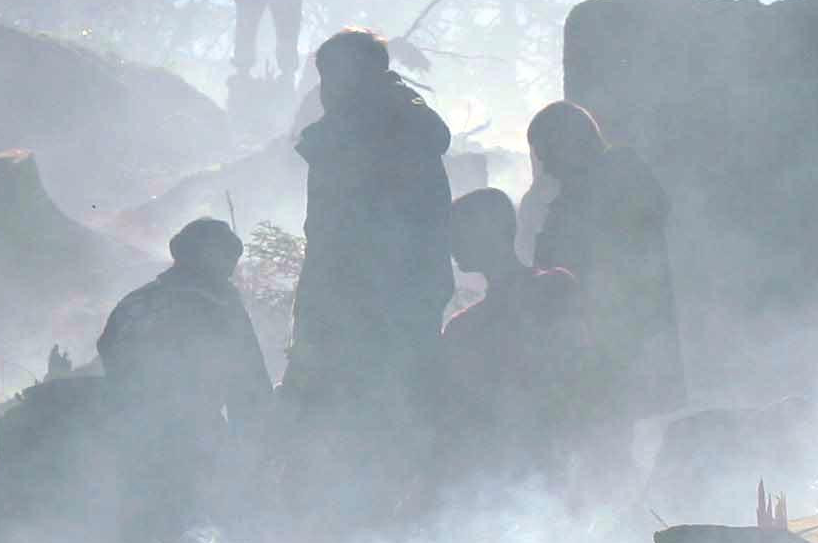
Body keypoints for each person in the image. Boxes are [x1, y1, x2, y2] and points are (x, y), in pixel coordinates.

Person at [285, 30, 456, 438]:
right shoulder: (394, 116)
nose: (326, 86)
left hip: (369, 301)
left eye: (332, 73)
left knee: (368, 416)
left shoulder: (380, 124)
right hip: (376, 296)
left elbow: (344, 230)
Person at [94, 216, 273, 543]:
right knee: (200, 540)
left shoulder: (135, 304)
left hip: (127, 444)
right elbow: (249, 388)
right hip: (194, 446)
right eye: (226, 263)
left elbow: (109, 354)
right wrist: (253, 452)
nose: (230, 273)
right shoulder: (219, 308)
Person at [528, 100, 683, 443]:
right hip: (592, 335)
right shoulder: (574, 195)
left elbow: (604, 258)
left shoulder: (618, 181)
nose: (548, 168)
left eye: (550, 154)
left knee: (612, 438)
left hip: (614, 334)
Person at [439, 188, 575, 469]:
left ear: (490, 231)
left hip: (540, 456)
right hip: (542, 457)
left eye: (459, 231)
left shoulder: (464, 328)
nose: (451, 243)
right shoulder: (556, 286)